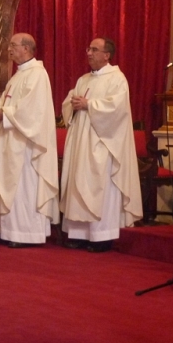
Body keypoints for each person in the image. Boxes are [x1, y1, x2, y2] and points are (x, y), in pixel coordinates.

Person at [59, 38, 142, 252]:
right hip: (81, 141)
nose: (89, 53)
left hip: (102, 142)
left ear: (107, 55)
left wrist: (89, 105)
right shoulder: (83, 79)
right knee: (79, 183)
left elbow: (118, 108)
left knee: (99, 187)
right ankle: (78, 233)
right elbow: (70, 101)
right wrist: (73, 104)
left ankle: (101, 236)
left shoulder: (117, 79)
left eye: (94, 50)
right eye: (88, 49)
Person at [0, 33, 59, 248]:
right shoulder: (18, 75)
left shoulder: (37, 74)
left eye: (13, 45)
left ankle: (26, 233)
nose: (9, 49)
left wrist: (5, 113)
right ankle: (9, 230)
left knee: (24, 186)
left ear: (27, 48)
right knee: (12, 185)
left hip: (26, 144)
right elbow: (9, 103)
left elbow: (32, 111)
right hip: (11, 138)